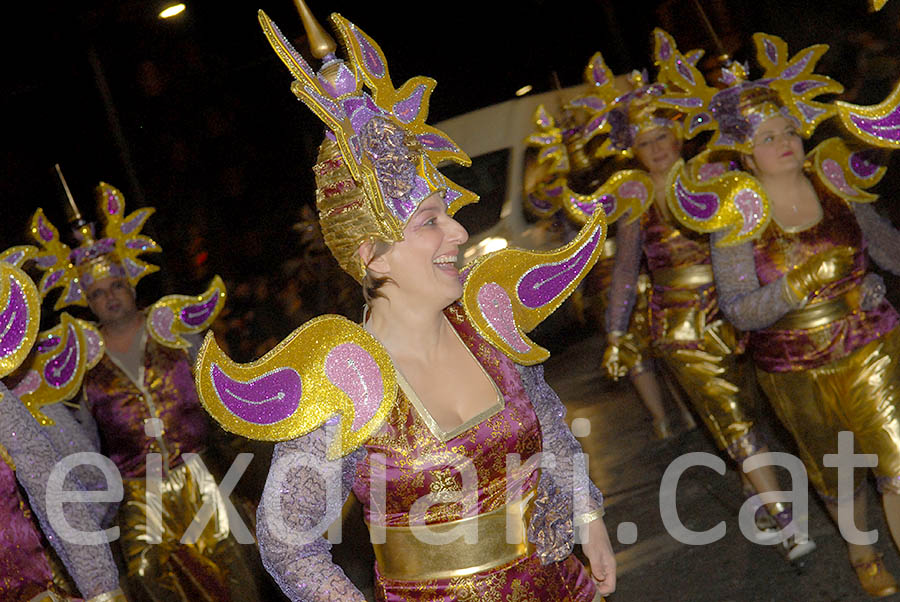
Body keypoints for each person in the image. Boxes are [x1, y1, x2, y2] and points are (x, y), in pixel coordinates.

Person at [194, 3, 615, 600]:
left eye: (449, 215)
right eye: (429, 221)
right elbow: (289, 543)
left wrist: (586, 515)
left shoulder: (486, 327)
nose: (458, 232)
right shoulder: (346, 381)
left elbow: (546, 417)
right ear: (374, 256)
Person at [661, 31, 900, 598]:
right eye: (768, 137)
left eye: (788, 129)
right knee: (840, 475)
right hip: (794, 367)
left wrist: (866, 283)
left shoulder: (835, 183)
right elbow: (741, 311)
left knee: (896, 460)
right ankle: (863, 554)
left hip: (869, 342)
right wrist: (800, 284)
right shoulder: (735, 216)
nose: (785, 141)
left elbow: (888, 251)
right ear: (745, 152)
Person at [596, 30, 815, 560]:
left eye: (664, 137)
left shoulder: (716, 175)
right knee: (732, 417)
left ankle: (757, 479)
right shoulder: (635, 200)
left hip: (738, 310)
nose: (658, 148)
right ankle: (786, 521)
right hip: (679, 327)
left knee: (759, 404)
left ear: (678, 137)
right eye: (646, 143)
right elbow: (626, 272)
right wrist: (617, 333)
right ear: (634, 150)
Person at [28, 184, 264, 602]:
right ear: (88, 302)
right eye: (98, 294)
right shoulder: (81, 363)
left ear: (131, 284)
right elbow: (80, 441)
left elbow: (223, 393)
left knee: (235, 565)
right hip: (138, 490)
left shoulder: (174, 331)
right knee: (146, 576)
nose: (109, 298)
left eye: (115, 286)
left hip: (200, 472)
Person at [524, 56, 696, 440]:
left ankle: (665, 417)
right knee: (657, 349)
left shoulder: (614, 178)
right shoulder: (605, 178)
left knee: (645, 352)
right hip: (624, 274)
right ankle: (677, 412)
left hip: (620, 274)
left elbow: (564, 231)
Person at [1, 246, 126, 601]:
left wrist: (102, 589)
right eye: (98, 292)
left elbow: (65, 488)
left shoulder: (15, 399)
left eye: (114, 287)